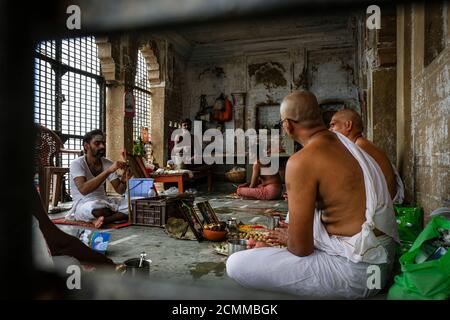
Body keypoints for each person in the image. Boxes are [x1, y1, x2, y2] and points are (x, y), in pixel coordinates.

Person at [226, 90, 399, 299]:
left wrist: (288, 238)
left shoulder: (301, 161)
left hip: (361, 275)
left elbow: (301, 249)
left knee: (236, 264)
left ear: (288, 125)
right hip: (383, 262)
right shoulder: (349, 146)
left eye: (282, 124)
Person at [329, 109, 404, 204]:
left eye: (333, 125)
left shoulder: (360, 146)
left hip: (383, 206)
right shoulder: (360, 144)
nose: (330, 130)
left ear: (348, 125)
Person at [66, 129, 130, 228]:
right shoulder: (77, 163)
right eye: (97, 143)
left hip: (105, 202)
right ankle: (112, 216)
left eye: (103, 143)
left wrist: (125, 179)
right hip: (84, 203)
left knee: (134, 204)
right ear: (86, 146)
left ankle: (104, 220)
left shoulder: (107, 163)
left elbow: (120, 191)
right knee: (94, 209)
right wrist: (108, 171)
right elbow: (84, 189)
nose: (102, 146)